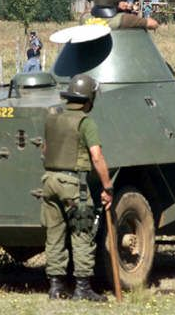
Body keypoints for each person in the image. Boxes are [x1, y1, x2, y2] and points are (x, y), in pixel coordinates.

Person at [41, 74, 113, 302]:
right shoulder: (85, 122)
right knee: (82, 232)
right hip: (73, 185)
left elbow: (44, 149)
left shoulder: (53, 118)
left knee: (54, 235)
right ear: (89, 98)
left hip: (49, 181)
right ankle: (82, 287)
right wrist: (107, 186)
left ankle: (56, 286)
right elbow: (97, 156)